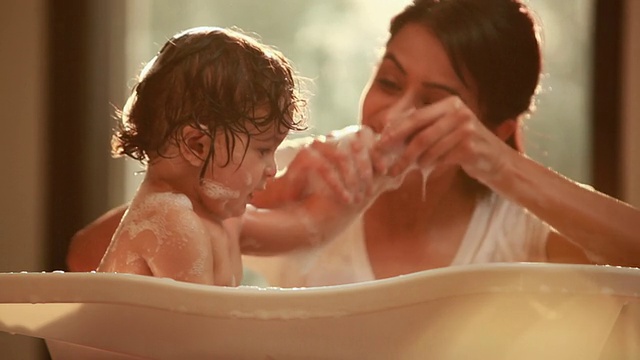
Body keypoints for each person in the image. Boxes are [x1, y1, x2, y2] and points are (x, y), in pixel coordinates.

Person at [69, 0, 640, 288]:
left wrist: (498, 165)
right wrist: (275, 191)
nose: (392, 112)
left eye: (433, 102)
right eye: (389, 81)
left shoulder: (515, 229)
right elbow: (86, 259)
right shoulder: (286, 172)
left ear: (492, 128)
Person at [94, 26, 310, 286]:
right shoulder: (172, 219)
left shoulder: (221, 218)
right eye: (263, 150)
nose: (272, 169)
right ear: (197, 146)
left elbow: (306, 231)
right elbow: (200, 326)